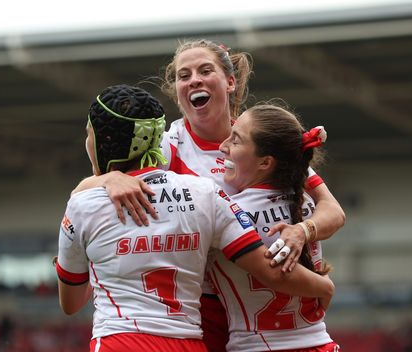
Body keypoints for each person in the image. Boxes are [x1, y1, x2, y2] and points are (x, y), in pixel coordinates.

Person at [72, 39, 345, 351]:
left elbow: (333, 211)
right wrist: (111, 178)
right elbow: (82, 193)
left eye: (204, 70)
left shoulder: (261, 139)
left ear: (230, 82)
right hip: (199, 308)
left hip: (269, 303)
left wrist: (302, 230)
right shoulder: (167, 145)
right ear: (176, 91)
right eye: (183, 76)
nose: (194, 80)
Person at [212, 103, 340, 351]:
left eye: (236, 141)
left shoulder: (228, 210)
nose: (222, 146)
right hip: (321, 343)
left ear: (265, 163)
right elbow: (336, 213)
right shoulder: (309, 202)